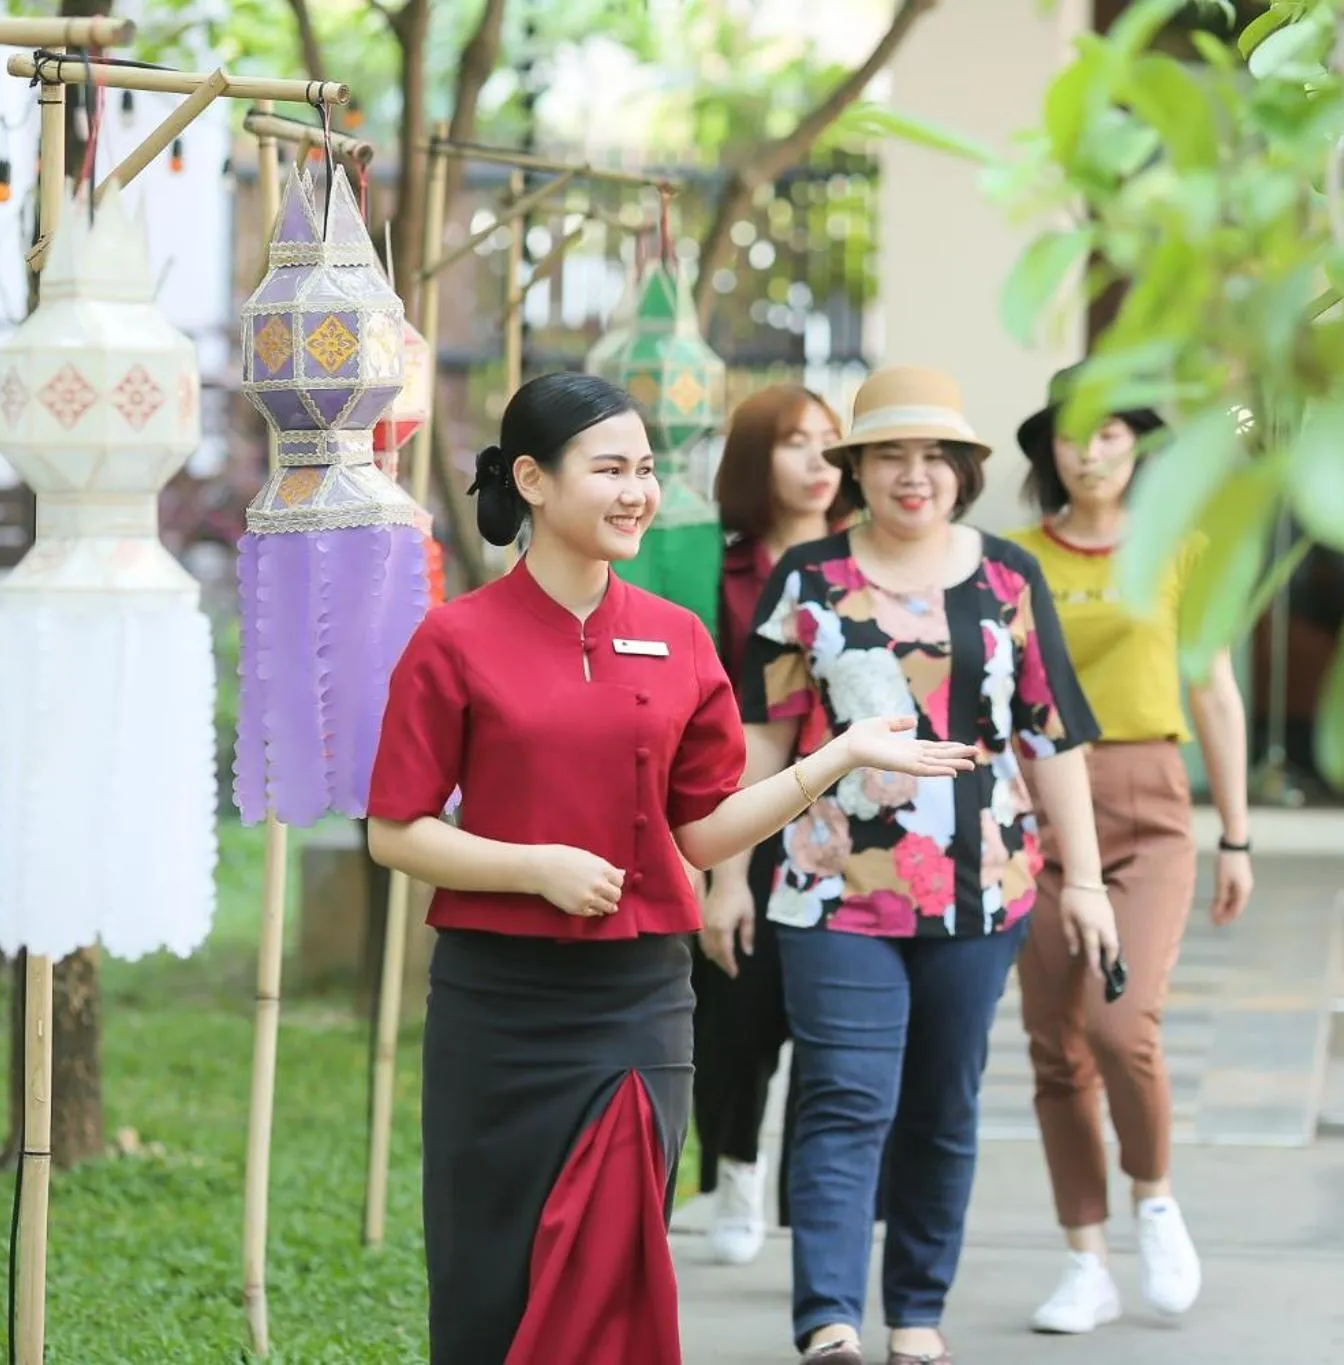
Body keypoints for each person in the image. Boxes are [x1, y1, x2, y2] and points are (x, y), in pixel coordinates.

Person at [365, 371, 981, 1365]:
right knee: (490, 1283)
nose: (636, 492)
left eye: (645, 470)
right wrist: (534, 869)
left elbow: (698, 833)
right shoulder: (453, 639)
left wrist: (836, 756)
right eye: (608, 468)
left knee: (612, 1276)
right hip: (496, 1005)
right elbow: (394, 831)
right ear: (530, 478)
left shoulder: (680, 638)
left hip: (636, 1001)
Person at [706, 365, 1121, 1365]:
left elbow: (1051, 734)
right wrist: (724, 875)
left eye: (935, 455)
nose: (913, 474)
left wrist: (1092, 883)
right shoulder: (803, 580)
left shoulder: (1008, 580)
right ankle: (829, 1325)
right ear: (856, 469)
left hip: (983, 889)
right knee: (845, 1099)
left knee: (941, 1103)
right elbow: (760, 739)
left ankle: (918, 1317)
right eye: (889, 453)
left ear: (964, 472)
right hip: (826, 883)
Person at [1004, 364, 1255, 1335]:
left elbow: (1215, 692)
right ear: (1046, 452)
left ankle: (1152, 1198)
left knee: (1119, 1028)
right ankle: (1084, 1260)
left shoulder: (1179, 551)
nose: (1090, 449)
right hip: (1034, 811)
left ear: (1135, 446)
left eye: (1110, 432)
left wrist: (1233, 833)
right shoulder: (1008, 559)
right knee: (1052, 1045)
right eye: (1070, 434)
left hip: (1149, 803)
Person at [695, 383, 848, 1266]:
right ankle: (736, 1170)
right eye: (797, 442)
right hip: (745, 805)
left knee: (830, 1014)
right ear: (758, 458)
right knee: (739, 1009)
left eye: (833, 442)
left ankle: (808, 1201)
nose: (820, 461)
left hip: (850, 818)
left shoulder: (864, 562)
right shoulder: (718, 568)